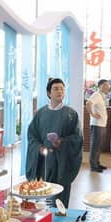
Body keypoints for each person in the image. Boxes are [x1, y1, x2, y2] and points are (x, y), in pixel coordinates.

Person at [25, 78, 84, 207]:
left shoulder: (71, 114)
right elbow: (32, 135)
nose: (60, 91)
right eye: (56, 89)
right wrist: (39, 148)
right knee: (43, 195)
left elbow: (77, 138)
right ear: (49, 93)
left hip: (62, 163)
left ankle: (59, 216)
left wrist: (61, 142)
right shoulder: (41, 114)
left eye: (62, 89)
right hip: (44, 161)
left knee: (59, 198)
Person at [87, 79, 110, 173]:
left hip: (102, 124)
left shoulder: (101, 96)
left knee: (99, 145)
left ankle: (97, 163)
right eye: (105, 85)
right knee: (95, 146)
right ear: (100, 86)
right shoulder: (96, 95)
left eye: (108, 85)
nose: (107, 87)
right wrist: (92, 114)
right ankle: (93, 166)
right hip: (97, 125)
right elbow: (88, 103)